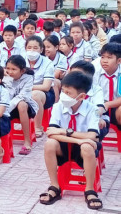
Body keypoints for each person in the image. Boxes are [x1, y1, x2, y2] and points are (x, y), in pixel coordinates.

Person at [40, 72, 102, 210]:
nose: (64, 95)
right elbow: (51, 133)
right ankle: (54, 186)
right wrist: (78, 140)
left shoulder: (93, 109)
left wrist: (64, 131)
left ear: (82, 96)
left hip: (83, 149)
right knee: (50, 144)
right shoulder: (58, 107)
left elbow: (92, 135)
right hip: (66, 146)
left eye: (68, 92)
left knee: (87, 146)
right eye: (63, 91)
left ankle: (90, 190)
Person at [5, 55, 38, 154]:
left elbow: (23, 96)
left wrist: (7, 108)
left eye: (14, 69)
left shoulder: (28, 78)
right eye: (8, 68)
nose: (10, 72)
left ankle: (27, 141)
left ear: (22, 71)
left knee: (21, 104)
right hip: (8, 106)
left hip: (26, 108)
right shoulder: (5, 78)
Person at [24, 36, 55, 138]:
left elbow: (46, 87)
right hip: (23, 91)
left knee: (35, 95)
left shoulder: (47, 63)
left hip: (45, 94)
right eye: (29, 47)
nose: (32, 51)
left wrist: (28, 87)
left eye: (35, 48)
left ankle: (38, 127)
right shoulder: (21, 60)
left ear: (41, 49)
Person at [93, 43, 121, 132]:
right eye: (102, 57)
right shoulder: (94, 69)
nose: (104, 61)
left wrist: (108, 105)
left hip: (114, 106)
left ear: (119, 61)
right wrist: (100, 107)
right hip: (96, 106)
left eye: (109, 58)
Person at [44, 35, 67, 102]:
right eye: (44, 47)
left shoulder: (62, 58)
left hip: (59, 81)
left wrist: (46, 79)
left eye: (48, 47)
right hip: (44, 80)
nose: (46, 49)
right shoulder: (42, 57)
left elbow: (56, 74)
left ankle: (55, 104)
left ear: (56, 47)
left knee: (53, 82)